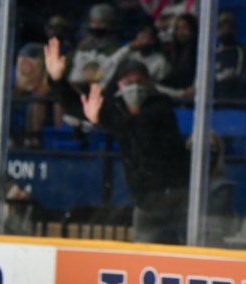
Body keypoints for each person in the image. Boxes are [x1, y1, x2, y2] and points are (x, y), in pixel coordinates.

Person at [44, 40, 190, 245]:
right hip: (145, 203)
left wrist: (100, 119)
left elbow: (139, 128)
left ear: (149, 83)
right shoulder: (118, 107)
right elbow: (78, 106)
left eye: (139, 80)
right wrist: (58, 79)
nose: (134, 86)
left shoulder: (161, 106)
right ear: (119, 84)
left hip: (176, 201)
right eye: (128, 81)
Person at [188, 131, 239, 247]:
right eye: (194, 147)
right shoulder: (177, 185)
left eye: (210, 148)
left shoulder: (221, 188)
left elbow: (214, 223)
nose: (202, 153)